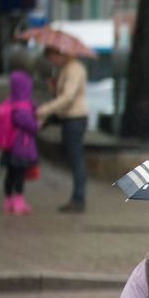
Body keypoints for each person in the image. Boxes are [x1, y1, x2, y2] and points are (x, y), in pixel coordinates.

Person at [37, 46, 89, 213]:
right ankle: (77, 197)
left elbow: (68, 96)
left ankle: (78, 198)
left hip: (75, 116)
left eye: (52, 57)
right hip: (67, 116)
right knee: (73, 156)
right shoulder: (66, 69)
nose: (52, 61)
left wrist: (45, 109)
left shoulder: (74, 69)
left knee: (76, 158)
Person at [0, 70, 39, 214]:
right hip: (21, 148)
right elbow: (30, 125)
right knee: (19, 175)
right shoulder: (23, 107)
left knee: (9, 174)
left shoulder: (9, 102)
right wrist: (37, 123)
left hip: (9, 147)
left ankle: (7, 200)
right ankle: (18, 201)